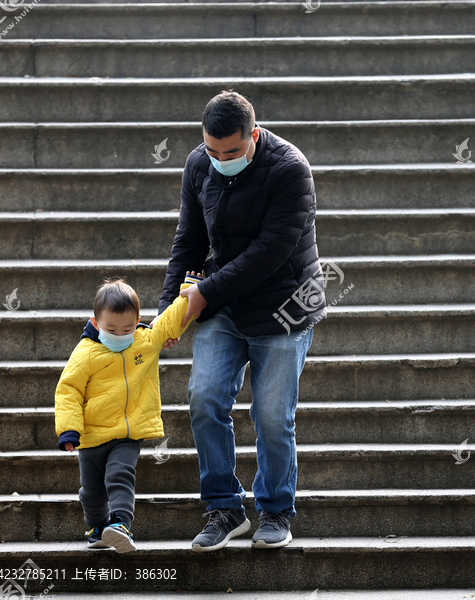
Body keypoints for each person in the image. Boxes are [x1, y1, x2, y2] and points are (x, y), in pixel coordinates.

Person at [155, 90, 325, 552]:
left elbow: (271, 253)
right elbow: (188, 240)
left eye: (231, 151)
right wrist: (170, 310)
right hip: (224, 305)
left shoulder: (290, 169)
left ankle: (274, 510)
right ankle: (225, 508)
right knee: (203, 398)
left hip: (283, 306)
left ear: (254, 134)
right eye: (212, 151)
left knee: (272, 416)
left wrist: (202, 294)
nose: (220, 160)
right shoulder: (198, 164)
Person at [55, 272, 201, 553]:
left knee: (120, 475)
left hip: (128, 433)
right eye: (111, 329)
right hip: (91, 435)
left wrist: (188, 292)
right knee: (92, 492)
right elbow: (68, 390)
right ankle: (98, 528)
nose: (120, 335)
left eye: (126, 329)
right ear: (96, 323)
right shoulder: (85, 352)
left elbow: (169, 322)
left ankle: (120, 524)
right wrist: (69, 429)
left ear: (136, 322)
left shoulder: (144, 341)